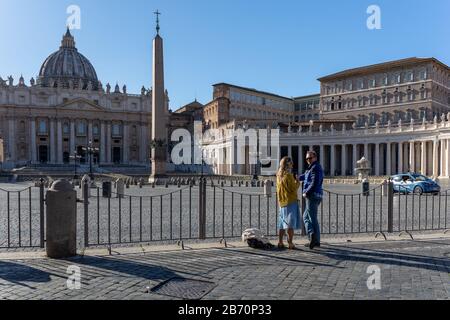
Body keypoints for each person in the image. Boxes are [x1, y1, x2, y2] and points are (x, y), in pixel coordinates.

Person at [298, 151, 324, 249]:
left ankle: (312, 236)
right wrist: (295, 177)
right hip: (315, 195)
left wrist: (306, 192)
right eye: (307, 159)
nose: (308, 160)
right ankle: (314, 239)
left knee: (310, 218)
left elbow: (314, 182)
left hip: (312, 195)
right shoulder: (311, 168)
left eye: (310, 158)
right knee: (308, 217)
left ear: (315, 158)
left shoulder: (315, 167)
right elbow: (304, 177)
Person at [276, 156, 301, 249]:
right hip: (290, 201)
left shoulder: (278, 175)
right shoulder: (288, 176)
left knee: (282, 223)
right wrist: (297, 181)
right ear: (287, 164)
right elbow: (293, 188)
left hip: (282, 202)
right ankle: (290, 243)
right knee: (290, 223)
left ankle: (280, 242)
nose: (292, 165)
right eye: (291, 163)